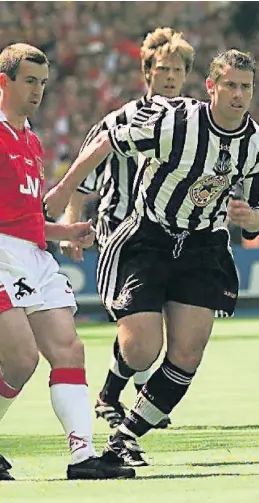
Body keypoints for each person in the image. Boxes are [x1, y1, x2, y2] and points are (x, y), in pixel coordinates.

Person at [44, 49, 259, 465]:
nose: (238, 94)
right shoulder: (177, 122)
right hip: (149, 237)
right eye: (230, 85)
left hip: (203, 245)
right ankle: (113, 388)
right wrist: (65, 191)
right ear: (211, 87)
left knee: (188, 351)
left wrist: (251, 216)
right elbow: (107, 141)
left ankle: (126, 436)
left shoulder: (257, 145)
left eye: (246, 87)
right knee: (141, 350)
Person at [0, 43, 134, 480]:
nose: (38, 90)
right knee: (21, 360)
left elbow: (24, 216)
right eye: (29, 81)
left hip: (34, 256)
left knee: (69, 349)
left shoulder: (32, 140)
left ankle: (82, 457)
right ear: (4, 82)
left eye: (43, 82)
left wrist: (64, 232)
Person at [61, 28, 195, 443]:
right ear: (146, 73)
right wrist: (70, 224)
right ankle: (120, 394)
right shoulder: (118, 122)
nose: (170, 77)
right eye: (162, 69)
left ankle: (123, 395)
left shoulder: (197, 123)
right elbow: (84, 177)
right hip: (123, 234)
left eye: (177, 70)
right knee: (139, 328)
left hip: (176, 240)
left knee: (162, 333)